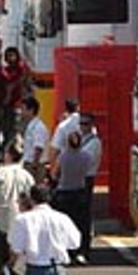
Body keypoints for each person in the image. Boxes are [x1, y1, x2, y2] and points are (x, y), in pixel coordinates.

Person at [9, 188, 81, 275]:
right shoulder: (62, 218)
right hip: (56, 268)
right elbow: (75, 242)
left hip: (34, 268)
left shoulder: (23, 219)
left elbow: (16, 248)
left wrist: (11, 266)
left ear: (31, 199)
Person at [54, 112, 100, 264]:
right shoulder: (84, 155)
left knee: (73, 220)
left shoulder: (93, 143)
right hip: (80, 186)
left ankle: (76, 250)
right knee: (81, 220)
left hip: (69, 188)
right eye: (81, 124)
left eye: (86, 124)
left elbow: (56, 172)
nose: (83, 127)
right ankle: (77, 250)